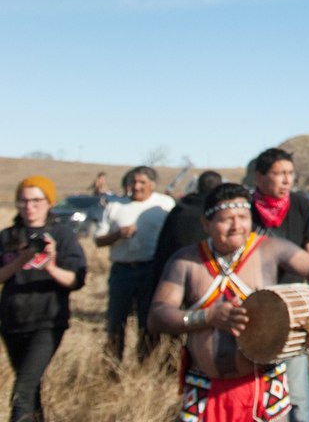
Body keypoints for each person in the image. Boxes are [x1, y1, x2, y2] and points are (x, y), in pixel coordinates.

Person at [149, 184, 309, 422]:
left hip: (264, 387)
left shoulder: (269, 249)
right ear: (205, 224)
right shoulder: (185, 261)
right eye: (226, 219)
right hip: (204, 390)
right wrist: (207, 317)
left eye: (243, 217)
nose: (237, 226)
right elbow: (157, 316)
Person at [1, 176, 87, 422]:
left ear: (49, 202)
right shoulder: (8, 237)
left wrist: (50, 265)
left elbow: (76, 280)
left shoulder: (63, 235)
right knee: (31, 391)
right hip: (12, 322)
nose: (30, 207)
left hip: (47, 322)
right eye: (23, 201)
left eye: (36, 200)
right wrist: (20, 260)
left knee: (22, 392)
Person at [249, 147, 309, 422]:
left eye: (290, 173)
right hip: (254, 310)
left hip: (294, 312)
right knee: (258, 391)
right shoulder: (244, 211)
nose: (286, 180)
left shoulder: (303, 207)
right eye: (279, 174)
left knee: (297, 393)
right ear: (259, 177)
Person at [94, 164, 175, 360]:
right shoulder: (115, 206)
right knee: (116, 321)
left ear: (152, 185)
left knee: (147, 322)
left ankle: (144, 365)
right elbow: (98, 240)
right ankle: (113, 366)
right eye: (133, 181)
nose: (137, 186)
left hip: (151, 269)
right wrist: (118, 234)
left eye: (142, 182)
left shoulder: (164, 205)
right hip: (122, 271)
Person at [149, 170, 225, 306]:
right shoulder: (218, 213)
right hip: (207, 278)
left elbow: (164, 245)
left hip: (173, 274)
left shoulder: (180, 209)